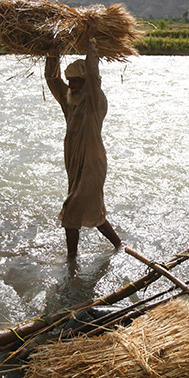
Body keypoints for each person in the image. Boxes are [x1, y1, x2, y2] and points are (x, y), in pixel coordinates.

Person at [44, 17, 122, 259]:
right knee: (93, 210)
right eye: (70, 82)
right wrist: (52, 51)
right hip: (75, 162)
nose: (72, 86)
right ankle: (120, 246)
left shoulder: (93, 101)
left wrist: (90, 40)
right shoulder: (71, 102)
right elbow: (52, 80)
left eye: (76, 82)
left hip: (91, 162)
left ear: (85, 82)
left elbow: (94, 74)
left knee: (72, 211)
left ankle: (71, 260)